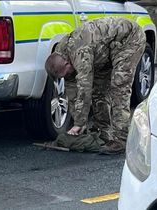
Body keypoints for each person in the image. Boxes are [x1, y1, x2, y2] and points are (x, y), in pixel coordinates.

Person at [45, 17, 146, 154]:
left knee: (119, 87)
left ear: (67, 64)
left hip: (129, 40)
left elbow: (84, 89)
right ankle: (104, 133)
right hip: (105, 51)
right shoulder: (61, 53)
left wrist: (79, 123)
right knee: (98, 92)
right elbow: (72, 91)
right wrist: (79, 125)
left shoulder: (79, 54)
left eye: (67, 72)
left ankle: (121, 139)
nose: (68, 76)